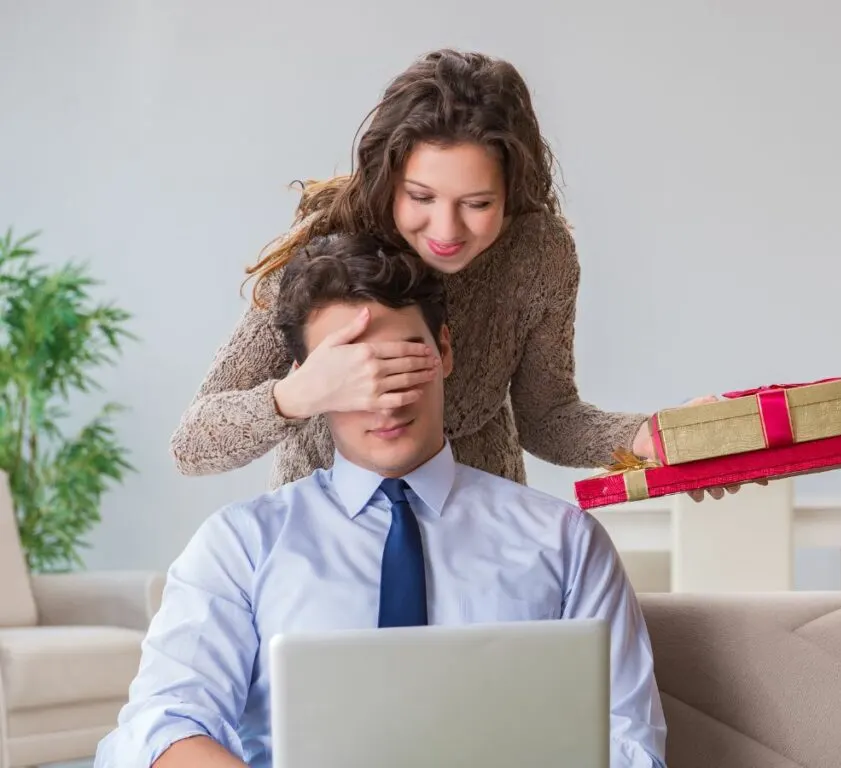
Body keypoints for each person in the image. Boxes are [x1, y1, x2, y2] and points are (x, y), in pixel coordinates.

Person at [97, 234, 667, 768]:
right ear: (310, 379)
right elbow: (161, 723)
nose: (385, 399)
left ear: (444, 350)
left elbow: (630, 743)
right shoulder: (241, 546)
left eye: (402, 363)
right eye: (353, 373)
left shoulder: (563, 541)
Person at [169, 47, 738, 502]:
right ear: (388, 176)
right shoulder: (326, 250)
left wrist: (648, 437)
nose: (447, 229)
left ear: (511, 193)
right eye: (421, 196)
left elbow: (547, 416)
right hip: (329, 543)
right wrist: (301, 392)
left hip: (482, 531)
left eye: (478, 203)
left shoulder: (538, 253)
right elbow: (193, 443)